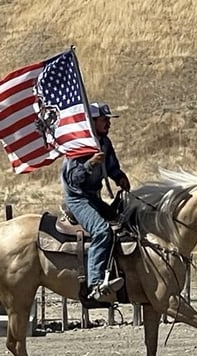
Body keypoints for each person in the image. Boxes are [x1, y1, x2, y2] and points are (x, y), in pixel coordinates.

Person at [61, 101, 131, 301]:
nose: (108, 123)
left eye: (108, 119)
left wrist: (120, 177)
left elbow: (112, 167)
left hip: (94, 197)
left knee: (123, 221)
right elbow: (73, 179)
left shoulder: (105, 142)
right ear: (91, 122)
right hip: (78, 198)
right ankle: (96, 283)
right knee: (102, 231)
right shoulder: (79, 144)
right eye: (104, 119)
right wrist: (90, 164)